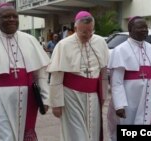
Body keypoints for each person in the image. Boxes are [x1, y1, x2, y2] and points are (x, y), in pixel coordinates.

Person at [0, 2, 50, 141]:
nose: (12, 19)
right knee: (1, 136)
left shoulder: (30, 40)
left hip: (27, 100)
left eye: (14, 16)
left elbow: (40, 74)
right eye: (6, 17)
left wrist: (45, 97)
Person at [47, 11, 109, 141]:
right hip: (71, 97)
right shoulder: (63, 45)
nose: (88, 35)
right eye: (84, 32)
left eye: (91, 31)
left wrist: (103, 95)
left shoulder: (100, 42)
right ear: (75, 28)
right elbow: (56, 76)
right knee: (76, 134)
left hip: (93, 96)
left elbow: (103, 72)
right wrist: (56, 104)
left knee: (93, 131)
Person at [107, 16, 151, 140]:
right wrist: (119, 105)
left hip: (149, 95)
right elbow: (116, 82)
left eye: (146, 27)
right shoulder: (120, 50)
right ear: (130, 30)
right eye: (140, 27)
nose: (145, 30)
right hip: (129, 98)